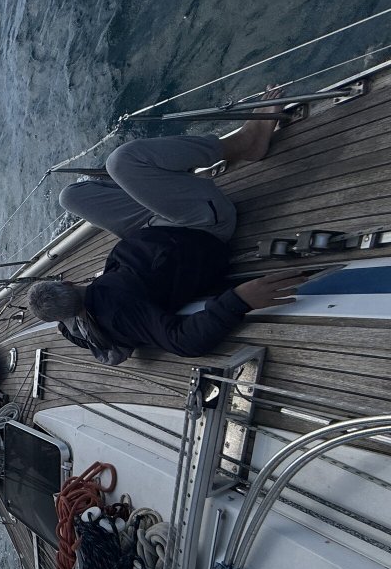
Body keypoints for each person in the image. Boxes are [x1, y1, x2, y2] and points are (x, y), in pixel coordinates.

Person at [27, 90, 307, 364]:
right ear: (66, 282)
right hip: (201, 228)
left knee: (71, 197)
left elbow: (70, 324)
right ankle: (246, 143)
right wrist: (238, 300)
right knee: (122, 162)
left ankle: (164, 180)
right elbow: (184, 342)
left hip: (150, 232)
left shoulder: (76, 324)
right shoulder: (119, 310)